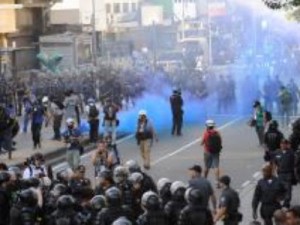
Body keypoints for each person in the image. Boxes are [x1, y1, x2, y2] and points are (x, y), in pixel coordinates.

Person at [272, 139, 296, 208]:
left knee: (288, 190)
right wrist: (273, 173)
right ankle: (280, 202)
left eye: (284, 144)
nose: (283, 145)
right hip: (280, 174)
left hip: (288, 174)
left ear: (286, 145)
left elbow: (295, 162)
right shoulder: (277, 152)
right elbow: (274, 163)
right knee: (279, 190)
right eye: (282, 144)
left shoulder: (291, 153)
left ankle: (286, 203)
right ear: (280, 144)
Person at [201, 120, 222, 187]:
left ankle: (204, 180)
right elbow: (220, 141)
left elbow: (201, 143)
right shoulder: (217, 132)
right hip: (216, 152)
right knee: (216, 167)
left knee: (207, 167)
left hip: (207, 152)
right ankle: (217, 182)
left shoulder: (206, 133)